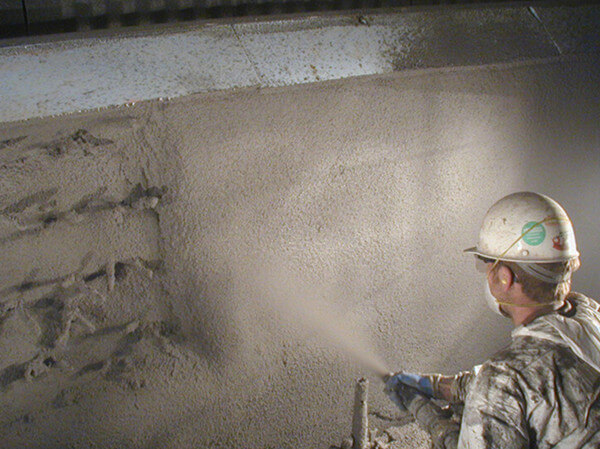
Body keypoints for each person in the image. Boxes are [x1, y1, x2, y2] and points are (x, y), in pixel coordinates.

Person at [384, 192, 600, 448]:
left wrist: (441, 431)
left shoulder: (504, 379)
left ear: (503, 277)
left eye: (486, 264)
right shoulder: (588, 315)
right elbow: (532, 382)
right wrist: (438, 386)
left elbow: (509, 385)